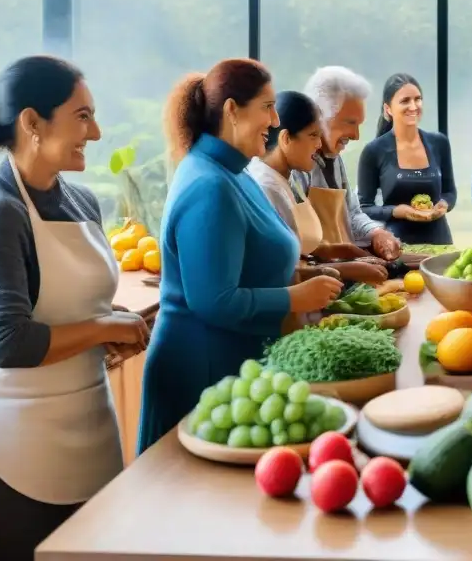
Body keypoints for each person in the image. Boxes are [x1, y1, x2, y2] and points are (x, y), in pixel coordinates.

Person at [0, 56, 150, 561]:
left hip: (90, 419)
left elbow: (79, 303)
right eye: (82, 116)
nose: (97, 130)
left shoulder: (83, 201)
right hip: (14, 437)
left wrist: (106, 328)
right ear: (31, 122)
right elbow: (3, 342)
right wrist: (102, 325)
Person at [137, 60, 343, 454]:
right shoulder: (210, 184)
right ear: (232, 110)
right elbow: (214, 300)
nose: (276, 117)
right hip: (201, 372)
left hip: (233, 365)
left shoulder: (234, 172)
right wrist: (294, 299)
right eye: (266, 106)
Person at [246, 90, 387, 287]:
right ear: (285, 139)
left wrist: (337, 250)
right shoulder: (266, 187)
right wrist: (344, 269)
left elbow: (294, 245)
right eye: (313, 135)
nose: (319, 144)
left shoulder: (288, 178)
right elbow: (275, 271)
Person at [296, 67, 402, 263]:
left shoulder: (335, 159)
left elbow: (352, 213)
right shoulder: (295, 167)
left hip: (341, 273)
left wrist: (376, 233)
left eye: (359, 124)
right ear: (319, 116)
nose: (356, 135)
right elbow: (297, 243)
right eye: (350, 123)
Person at [357, 73, 457, 245]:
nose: (413, 106)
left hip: (440, 242)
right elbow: (364, 207)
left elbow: (450, 193)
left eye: (418, 99)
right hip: (397, 245)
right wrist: (397, 211)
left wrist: (443, 205)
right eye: (405, 101)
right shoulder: (374, 151)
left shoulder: (439, 143)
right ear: (388, 108)